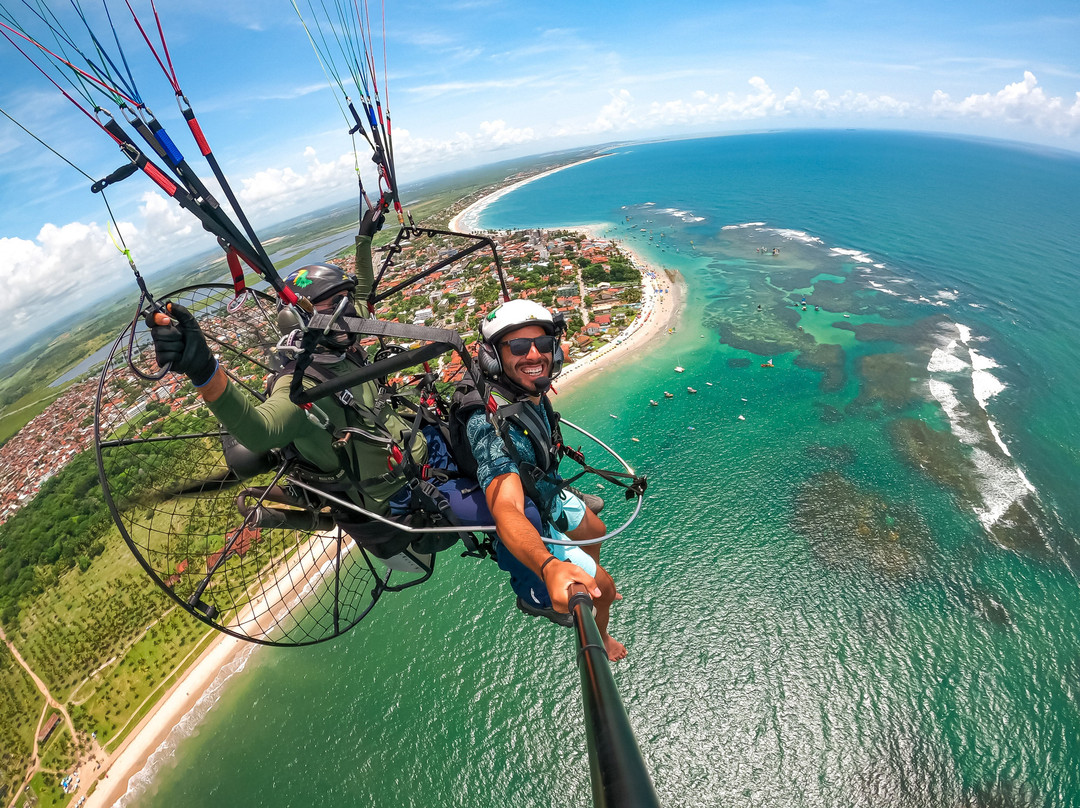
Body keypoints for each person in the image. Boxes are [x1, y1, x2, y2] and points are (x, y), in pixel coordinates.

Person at [146, 207, 433, 566]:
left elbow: (361, 291)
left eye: (346, 304)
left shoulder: (341, 339)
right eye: (336, 305)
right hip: (401, 498)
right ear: (302, 321)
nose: (349, 313)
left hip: (418, 453)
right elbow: (260, 430)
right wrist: (203, 368)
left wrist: (364, 239)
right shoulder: (301, 385)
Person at [454, 299, 626, 661]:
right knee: (606, 592)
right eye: (518, 346)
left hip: (546, 486)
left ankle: (588, 568)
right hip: (533, 502)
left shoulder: (525, 386)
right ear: (493, 358)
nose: (534, 354)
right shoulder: (487, 423)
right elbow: (507, 508)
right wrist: (549, 567)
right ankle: (601, 634)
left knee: (597, 529)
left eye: (543, 344)